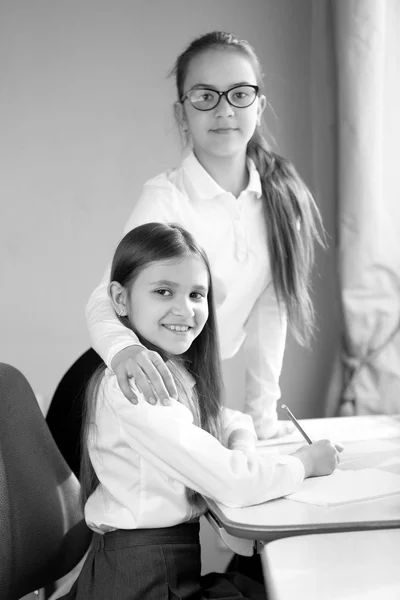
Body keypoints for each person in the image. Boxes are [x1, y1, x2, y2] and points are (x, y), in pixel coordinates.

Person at [64, 222, 342, 599]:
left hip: (162, 570)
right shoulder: (139, 388)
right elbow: (235, 482)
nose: (185, 309)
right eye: (163, 291)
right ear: (119, 299)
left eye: (197, 294)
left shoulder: (171, 374)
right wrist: (305, 462)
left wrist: (239, 447)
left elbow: (229, 420)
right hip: (139, 580)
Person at [86, 30, 325, 441]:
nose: (223, 110)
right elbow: (105, 297)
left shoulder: (280, 202)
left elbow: (271, 313)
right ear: (182, 114)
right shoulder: (165, 200)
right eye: (204, 96)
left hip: (185, 391)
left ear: (259, 106)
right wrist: (124, 351)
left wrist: (263, 418)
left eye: (239, 93)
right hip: (125, 385)